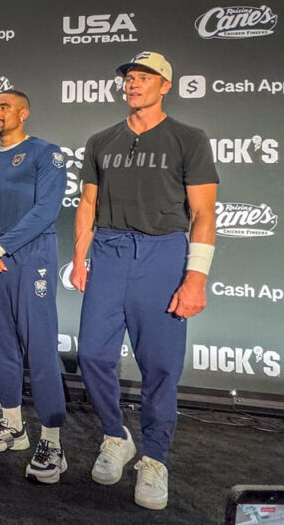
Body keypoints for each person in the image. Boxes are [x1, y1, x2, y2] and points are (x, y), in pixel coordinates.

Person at [71, 51, 218, 510]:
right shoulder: (101, 140)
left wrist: (195, 278)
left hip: (164, 253)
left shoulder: (188, 138)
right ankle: (117, 436)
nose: (134, 84)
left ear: (165, 85)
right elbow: (87, 205)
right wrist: (79, 258)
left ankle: (154, 458)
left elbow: (204, 213)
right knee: (92, 353)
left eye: (144, 77)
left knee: (159, 367)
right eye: (130, 78)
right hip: (110, 252)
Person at [0, 90, 69, 484]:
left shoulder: (46, 153)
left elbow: (46, 210)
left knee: (40, 347)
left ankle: (52, 441)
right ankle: (12, 424)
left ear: (24, 113)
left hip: (31, 258)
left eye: (4, 107)